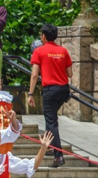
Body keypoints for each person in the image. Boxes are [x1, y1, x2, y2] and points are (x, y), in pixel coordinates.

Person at [28, 23, 72, 167]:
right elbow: (70, 74)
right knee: (50, 117)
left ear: (44, 36)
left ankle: (58, 156)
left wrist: (30, 93)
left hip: (50, 90)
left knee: (51, 121)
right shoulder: (63, 51)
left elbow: (34, 75)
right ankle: (50, 147)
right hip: (64, 89)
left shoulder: (39, 51)